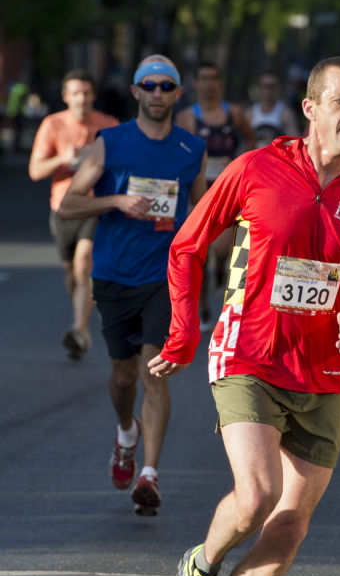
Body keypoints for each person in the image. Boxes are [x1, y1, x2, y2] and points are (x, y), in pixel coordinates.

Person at [149, 56, 340, 576]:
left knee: (291, 522)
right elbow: (187, 244)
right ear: (310, 108)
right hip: (250, 356)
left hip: (328, 373)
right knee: (256, 494)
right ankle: (200, 567)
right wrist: (182, 331)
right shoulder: (257, 168)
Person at [59, 56, 207, 516]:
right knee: (124, 376)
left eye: (167, 87)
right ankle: (127, 432)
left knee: (153, 371)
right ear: (137, 92)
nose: (159, 94)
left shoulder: (192, 149)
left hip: (166, 277)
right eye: (150, 86)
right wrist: (118, 199)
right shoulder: (111, 143)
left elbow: (201, 212)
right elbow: (68, 204)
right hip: (114, 274)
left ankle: (150, 474)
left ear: (178, 94)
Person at [29, 70, 119, 359]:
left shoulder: (110, 126)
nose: (82, 98)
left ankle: (79, 329)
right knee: (71, 271)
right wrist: (62, 159)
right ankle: (80, 321)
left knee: (83, 262)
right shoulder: (52, 124)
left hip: (96, 205)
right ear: (66, 96)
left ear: (93, 95)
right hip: (63, 207)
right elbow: (35, 171)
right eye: (76, 93)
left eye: (86, 92)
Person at [175, 62, 256, 328]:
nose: (209, 84)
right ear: (196, 84)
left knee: (221, 251)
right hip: (199, 192)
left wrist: (241, 165)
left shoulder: (233, 113)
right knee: (199, 250)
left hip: (229, 190)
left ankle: (220, 274)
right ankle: (203, 306)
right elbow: (179, 152)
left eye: (213, 78)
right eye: (204, 78)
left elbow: (250, 138)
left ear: (219, 83)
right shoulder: (187, 118)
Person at [247, 72, 300, 147]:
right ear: (259, 89)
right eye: (265, 86)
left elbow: (295, 143)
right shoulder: (250, 113)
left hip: (276, 156)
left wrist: (275, 143)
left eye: (272, 86)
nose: (268, 90)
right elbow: (244, 142)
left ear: (277, 88)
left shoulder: (285, 113)